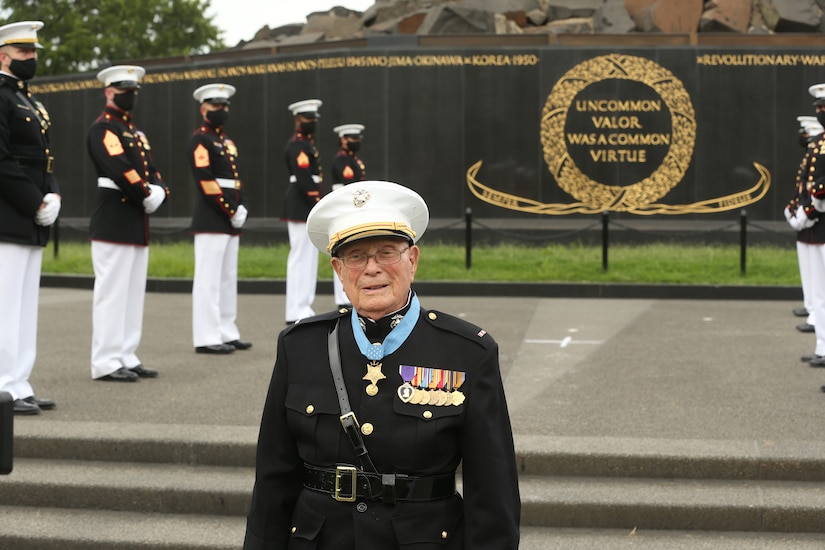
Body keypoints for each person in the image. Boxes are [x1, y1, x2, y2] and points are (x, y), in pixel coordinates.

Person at [244, 181, 520, 549]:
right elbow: (273, 481)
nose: (372, 269)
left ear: (413, 260)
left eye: (387, 252)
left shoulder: (467, 353)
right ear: (339, 271)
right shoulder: (300, 347)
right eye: (356, 257)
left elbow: (493, 492)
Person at [87, 65, 168, 382]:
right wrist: (146, 192)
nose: (130, 96)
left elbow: (150, 167)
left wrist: (160, 189)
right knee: (112, 293)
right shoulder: (103, 129)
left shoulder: (136, 132)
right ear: (109, 92)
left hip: (135, 219)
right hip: (114, 219)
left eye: (134, 91)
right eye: (124, 91)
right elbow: (119, 168)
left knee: (133, 292)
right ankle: (105, 360)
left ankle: (126, 354)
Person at [0, 21, 60, 415]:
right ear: (3, 55)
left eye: (34, 52)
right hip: (9, 213)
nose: (32, 58)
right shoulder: (1, 97)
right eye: (24, 52)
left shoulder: (30, 101)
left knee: (24, 307)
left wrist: (52, 192)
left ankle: (19, 382)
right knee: (5, 306)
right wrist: (35, 201)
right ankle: (3, 386)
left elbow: (44, 157)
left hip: (32, 214)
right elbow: (1, 160)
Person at [187, 82, 252, 355]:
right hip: (213, 216)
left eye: (224, 106)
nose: (221, 110)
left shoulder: (226, 141)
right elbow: (206, 179)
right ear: (204, 109)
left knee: (227, 277)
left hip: (230, 217)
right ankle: (206, 335)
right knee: (208, 279)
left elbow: (235, 180)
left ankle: (226, 330)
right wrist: (230, 209)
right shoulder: (200, 140)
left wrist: (243, 206)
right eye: (216, 106)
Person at [282, 99, 323, 324]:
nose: (311, 122)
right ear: (297, 119)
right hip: (301, 200)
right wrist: (316, 199)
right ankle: (295, 309)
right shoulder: (297, 144)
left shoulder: (307, 143)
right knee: (300, 256)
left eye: (314, 119)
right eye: (308, 119)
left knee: (309, 255)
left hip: (307, 201)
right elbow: (304, 175)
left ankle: (304, 306)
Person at [789, 116, 821, 334]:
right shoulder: (813, 153)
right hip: (811, 223)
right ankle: (815, 318)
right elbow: (804, 188)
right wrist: (793, 210)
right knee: (815, 282)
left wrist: (807, 211)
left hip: (818, 220)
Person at [330, 123, 366, 308]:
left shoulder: (352, 159)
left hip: (352, 208)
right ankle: (342, 299)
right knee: (343, 252)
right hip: (344, 208)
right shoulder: (342, 160)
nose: (356, 142)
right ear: (343, 139)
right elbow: (349, 185)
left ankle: (347, 295)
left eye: (357, 139)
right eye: (352, 139)